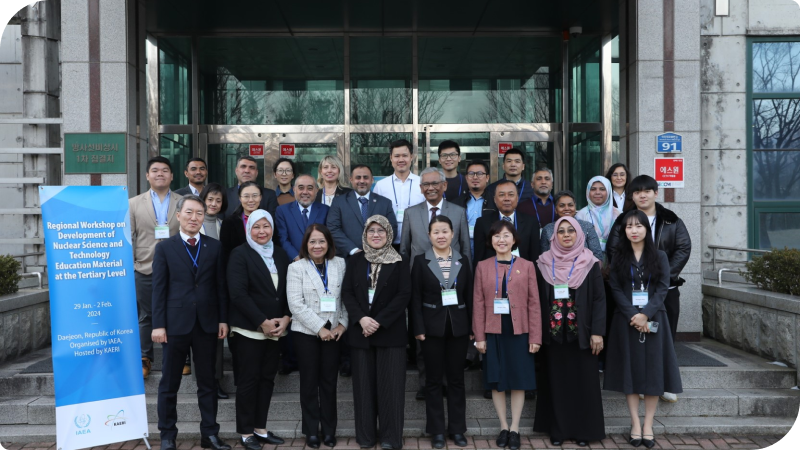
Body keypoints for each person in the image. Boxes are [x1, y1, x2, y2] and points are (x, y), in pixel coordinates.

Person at [150, 195, 230, 450]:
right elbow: (158, 290)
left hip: (207, 324)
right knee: (169, 383)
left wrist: (222, 320)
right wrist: (158, 324)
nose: (194, 218)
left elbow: (220, 287)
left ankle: (210, 434)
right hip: (174, 325)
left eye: (199, 213)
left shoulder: (214, 247)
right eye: (189, 212)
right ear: (178, 216)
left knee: (207, 382)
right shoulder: (164, 248)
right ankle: (167, 435)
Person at [606, 175, 691, 403]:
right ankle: (639, 382)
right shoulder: (624, 220)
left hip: (664, 289)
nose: (642, 195)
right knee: (634, 338)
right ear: (631, 196)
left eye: (647, 191)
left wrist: (661, 275)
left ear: (656, 192)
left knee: (663, 336)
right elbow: (613, 249)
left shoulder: (671, 220)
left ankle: (664, 382)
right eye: (637, 192)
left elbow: (683, 248)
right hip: (631, 289)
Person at [604, 210, 682, 449]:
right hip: (625, 320)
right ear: (624, 231)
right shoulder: (617, 256)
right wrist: (633, 315)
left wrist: (645, 314)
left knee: (653, 373)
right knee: (630, 372)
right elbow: (615, 289)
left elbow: (662, 288)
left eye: (638, 226)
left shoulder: (659, 256)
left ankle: (648, 425)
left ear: (647, 229)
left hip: (654, 318)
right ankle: (635, 424)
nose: (634, 230)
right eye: (629, 227)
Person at [400, 166, 471, 400]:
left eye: (434, 184)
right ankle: (426, 384)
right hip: (423, 284)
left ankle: (448, 383)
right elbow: (405, 250)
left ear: (444, 186)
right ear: (421, 189)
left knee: (450, 334)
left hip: (453, 283)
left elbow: (465, 249)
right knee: (424, 337)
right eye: (425, 185)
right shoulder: (411, 213)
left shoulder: (459, 212)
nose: (430, 188)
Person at [533, 217, 606, 447]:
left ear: (579, 235)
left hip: (581, 335)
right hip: (553, 336)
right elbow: (535, 301)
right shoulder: (543, 262)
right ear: (553, 237)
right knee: (556, 383)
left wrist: (597, 332)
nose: (566, 235)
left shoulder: (590, 262)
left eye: (570, 231)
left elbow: (599, 300)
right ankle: (558, 430)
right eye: (561, 231)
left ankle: (584, 430)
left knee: (583, 384)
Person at [341, 215, 410, 450]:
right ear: (365, 234)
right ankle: (366, 437)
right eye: (371, 231)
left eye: (381, 230)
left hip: (390, 332)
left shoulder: (400, 261)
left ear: (389, 233)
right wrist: (362, 319)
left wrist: (378, 321)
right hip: (362, 332)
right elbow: (347, 293)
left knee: (391, 388)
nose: (376, 235)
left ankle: (391, 437)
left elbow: (404, 295)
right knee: (363, 388)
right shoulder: (356, 261)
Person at [473, 220, 541, 450]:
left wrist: (535, 337)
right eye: (496, 236)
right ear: (490, 240)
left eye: (506, 236)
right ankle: (503, 426)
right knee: (496, 380)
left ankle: (515, 428)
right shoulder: (482, 266)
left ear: (514, 240)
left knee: (519, 381)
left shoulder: (527, 265)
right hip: (492, 330)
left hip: (519, 330)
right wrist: (479, 336)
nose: (501, 240)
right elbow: (478, 302)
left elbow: (534, 303)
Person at [226, 210, 291, 450]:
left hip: (276, 330)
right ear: (248, 229)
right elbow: (238, 294)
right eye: (256, 227)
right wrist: (262, 321)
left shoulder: (281, 255)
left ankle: (260, 429)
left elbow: (286, 291)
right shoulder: (239, 254)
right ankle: (245, 432)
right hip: (249, 331)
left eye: (266, 226)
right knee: (248, 381)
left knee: (266, 380)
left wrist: (286, 318)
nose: (262, 231)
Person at [410, 216, 472, 449]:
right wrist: (418, 328)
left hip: (458, 328)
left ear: (452, 234)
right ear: (429, 236)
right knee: (433, 381)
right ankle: (436, 430)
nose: (441, 236)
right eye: (436, 232)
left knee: (456, 380)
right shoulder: (420, 261)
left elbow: (469, 294)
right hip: (431, 329)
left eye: (445, 231)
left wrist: (472, 327)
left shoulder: (462, 260)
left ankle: (457, 429)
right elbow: (415, 298)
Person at [286, 224, 347, 448]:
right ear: (306, 245)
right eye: (312, 241)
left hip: (334, 333)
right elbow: (296, 305)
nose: (317, 245)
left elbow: (345, 298)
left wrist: (342, 325)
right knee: (309, 382)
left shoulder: (340, 263)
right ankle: (311, 431)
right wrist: (320, 328)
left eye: (321, 241)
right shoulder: (296, 267)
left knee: (329, 383)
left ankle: (329, 431)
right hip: (306, 333)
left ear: (329, 243)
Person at [129, 156, 181, 378]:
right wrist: (132, 265)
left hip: (177, 268)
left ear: (171, 176)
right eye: (155, 170)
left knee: (177, 314)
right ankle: (145, 358)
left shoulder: (182, 201)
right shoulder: (133, 203)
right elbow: (129, 237)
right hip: (144, 267)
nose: (160, 174)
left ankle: (179, 358)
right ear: (147, 175)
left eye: (165, 170)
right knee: (146, 316)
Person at [327, 164, 398, 258]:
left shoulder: (385, 203)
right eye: (358, 177)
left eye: (365, 177)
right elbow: (333, 229)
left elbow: (392, 229)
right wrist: (353, 250)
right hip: (349, 258)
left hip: (378, 258)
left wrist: (377, 250)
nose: (362, 181)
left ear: (372, 180)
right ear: (351, 179)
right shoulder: (339, 202)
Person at [473, 180, 541, 270]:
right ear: (495, 200)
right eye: (501, 195)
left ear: (517, 198)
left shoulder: (531, 222)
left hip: (522, 275)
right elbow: (479, 258)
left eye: (511, 194)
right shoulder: (482, 223)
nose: (506, 198)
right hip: (492, 275)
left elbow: (535, 257)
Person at [372, 139, 426, 249]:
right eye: (397, 156)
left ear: (411, 157)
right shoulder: (381, 186)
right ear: (391, 158)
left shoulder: (422, 183)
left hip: (417, 244)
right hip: (387, 245)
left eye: (404, 155)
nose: (401, 160)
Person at [276, 174, 330, 261]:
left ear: (316, 190)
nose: (305, 192)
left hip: (320, 261)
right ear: (294, 190)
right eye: (301, 188)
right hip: (293, 263)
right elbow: (282, 239)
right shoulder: (282, 211)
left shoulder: (325, 210)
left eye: (310, 188)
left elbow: (328, 238)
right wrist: (297, 258)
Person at [540, 190, 604, 261]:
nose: (567, 208)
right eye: (562, 205)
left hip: (586, 270)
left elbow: (597, 255)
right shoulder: (548, 230)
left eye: (570, 205)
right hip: (554, 270)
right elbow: (544, 258)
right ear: (555, 210)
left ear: (575, 207)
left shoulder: (587, 227)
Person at [450, 160, 492, 257]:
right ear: (466, 178)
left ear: (487, 178)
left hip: (488, 248)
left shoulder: (495, 202)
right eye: (471, 173)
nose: (475, 177)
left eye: (480, 173)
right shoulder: (456, 203)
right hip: (462, 249)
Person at [220, 182, 263, 267]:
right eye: (246, 196)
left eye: (255, 195)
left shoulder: (268, 220)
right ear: (240, 198)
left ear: (260, 197)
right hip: (238, 268)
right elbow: (225, 253)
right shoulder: (229, 222)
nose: (251, 200)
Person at [576, 176, 622, 253]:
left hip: (615, 258)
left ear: (608, 191)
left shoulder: (619, 214)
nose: (597, 192)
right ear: (588, 192)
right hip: (588, 259)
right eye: (593, 189)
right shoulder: (581, 215)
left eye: (602, 189)